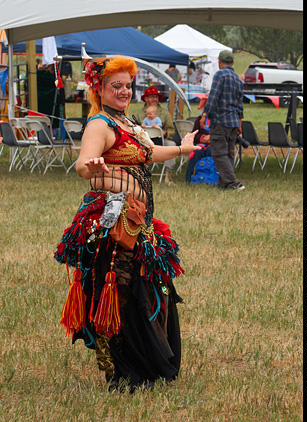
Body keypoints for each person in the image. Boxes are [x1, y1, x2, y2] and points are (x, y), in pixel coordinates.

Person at [54, 56, 200, 393]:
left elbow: (149, 154)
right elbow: (82, 167)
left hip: (138, 219)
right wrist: (93, 166)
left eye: (127, 85)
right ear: (99, 89)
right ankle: (125, 371)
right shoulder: (99, 125)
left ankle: (149, 362)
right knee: (120, 290)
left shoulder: (127, 121)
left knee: (147, 288)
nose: (124, 91)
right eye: (115, 86)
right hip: (114, 219)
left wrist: (181, 148)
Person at [200, 50, 245, 191]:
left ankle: (233, 183)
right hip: (233, 122)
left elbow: (213, 97)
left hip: (220, 120)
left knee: (219, 153)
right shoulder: (238, 79)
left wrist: (204, 114)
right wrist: (239, 123)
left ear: (219, 62)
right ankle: (223, 185)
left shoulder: (220, 75)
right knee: (229, 153)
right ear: (232, 62)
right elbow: (240, 104)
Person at [133, 86, 177, 184]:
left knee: (172, 145)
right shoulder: (138, 114)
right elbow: (132, 129)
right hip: (143, 143)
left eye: (156, 97)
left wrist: (164, 133)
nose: (154, 99)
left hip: (161, 141)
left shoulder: (165, 113)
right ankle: (136, 174)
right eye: (152, 97)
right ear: (146, 99)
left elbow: (171, 130)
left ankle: (168, 176)